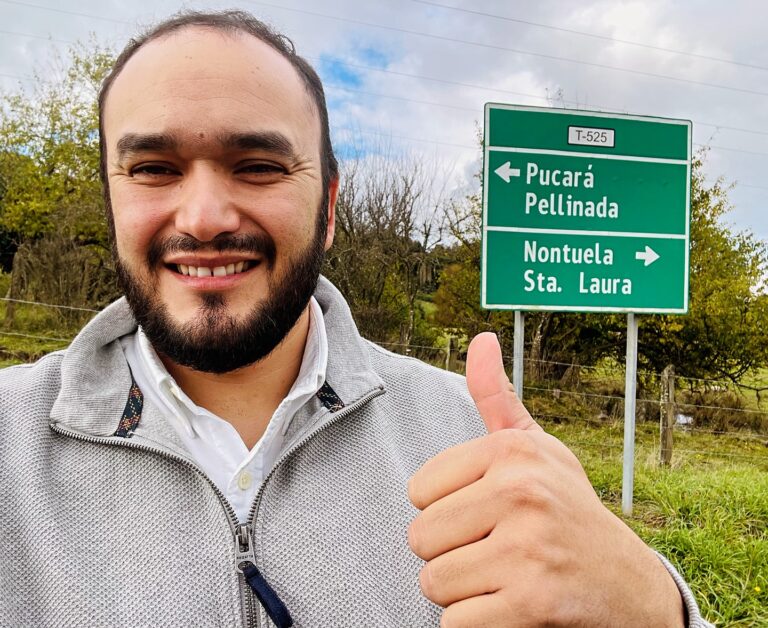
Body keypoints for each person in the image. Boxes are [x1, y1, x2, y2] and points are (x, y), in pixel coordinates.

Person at [0, 10, 711, 628]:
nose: (206, 217)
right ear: (111, 198)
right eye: (154, 168)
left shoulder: (472, 439)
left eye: (257, 165)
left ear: (330, 207)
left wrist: (654, 607)